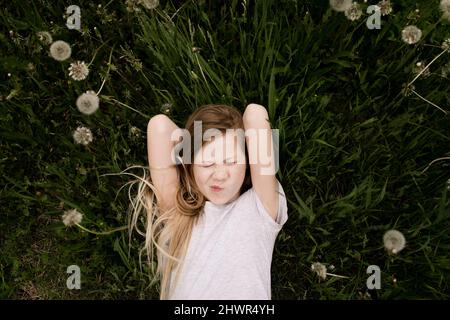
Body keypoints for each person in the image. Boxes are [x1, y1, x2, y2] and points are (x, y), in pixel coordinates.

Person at [128, 103, 288, 299]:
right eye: (207, 163)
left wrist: (240, 140)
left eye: (231, 161)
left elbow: (255, 114)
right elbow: (159, 126)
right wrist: (192, 143)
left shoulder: (260, 207)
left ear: (248, 163)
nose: (220, 175)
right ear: (191, 166)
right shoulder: (179, 215)